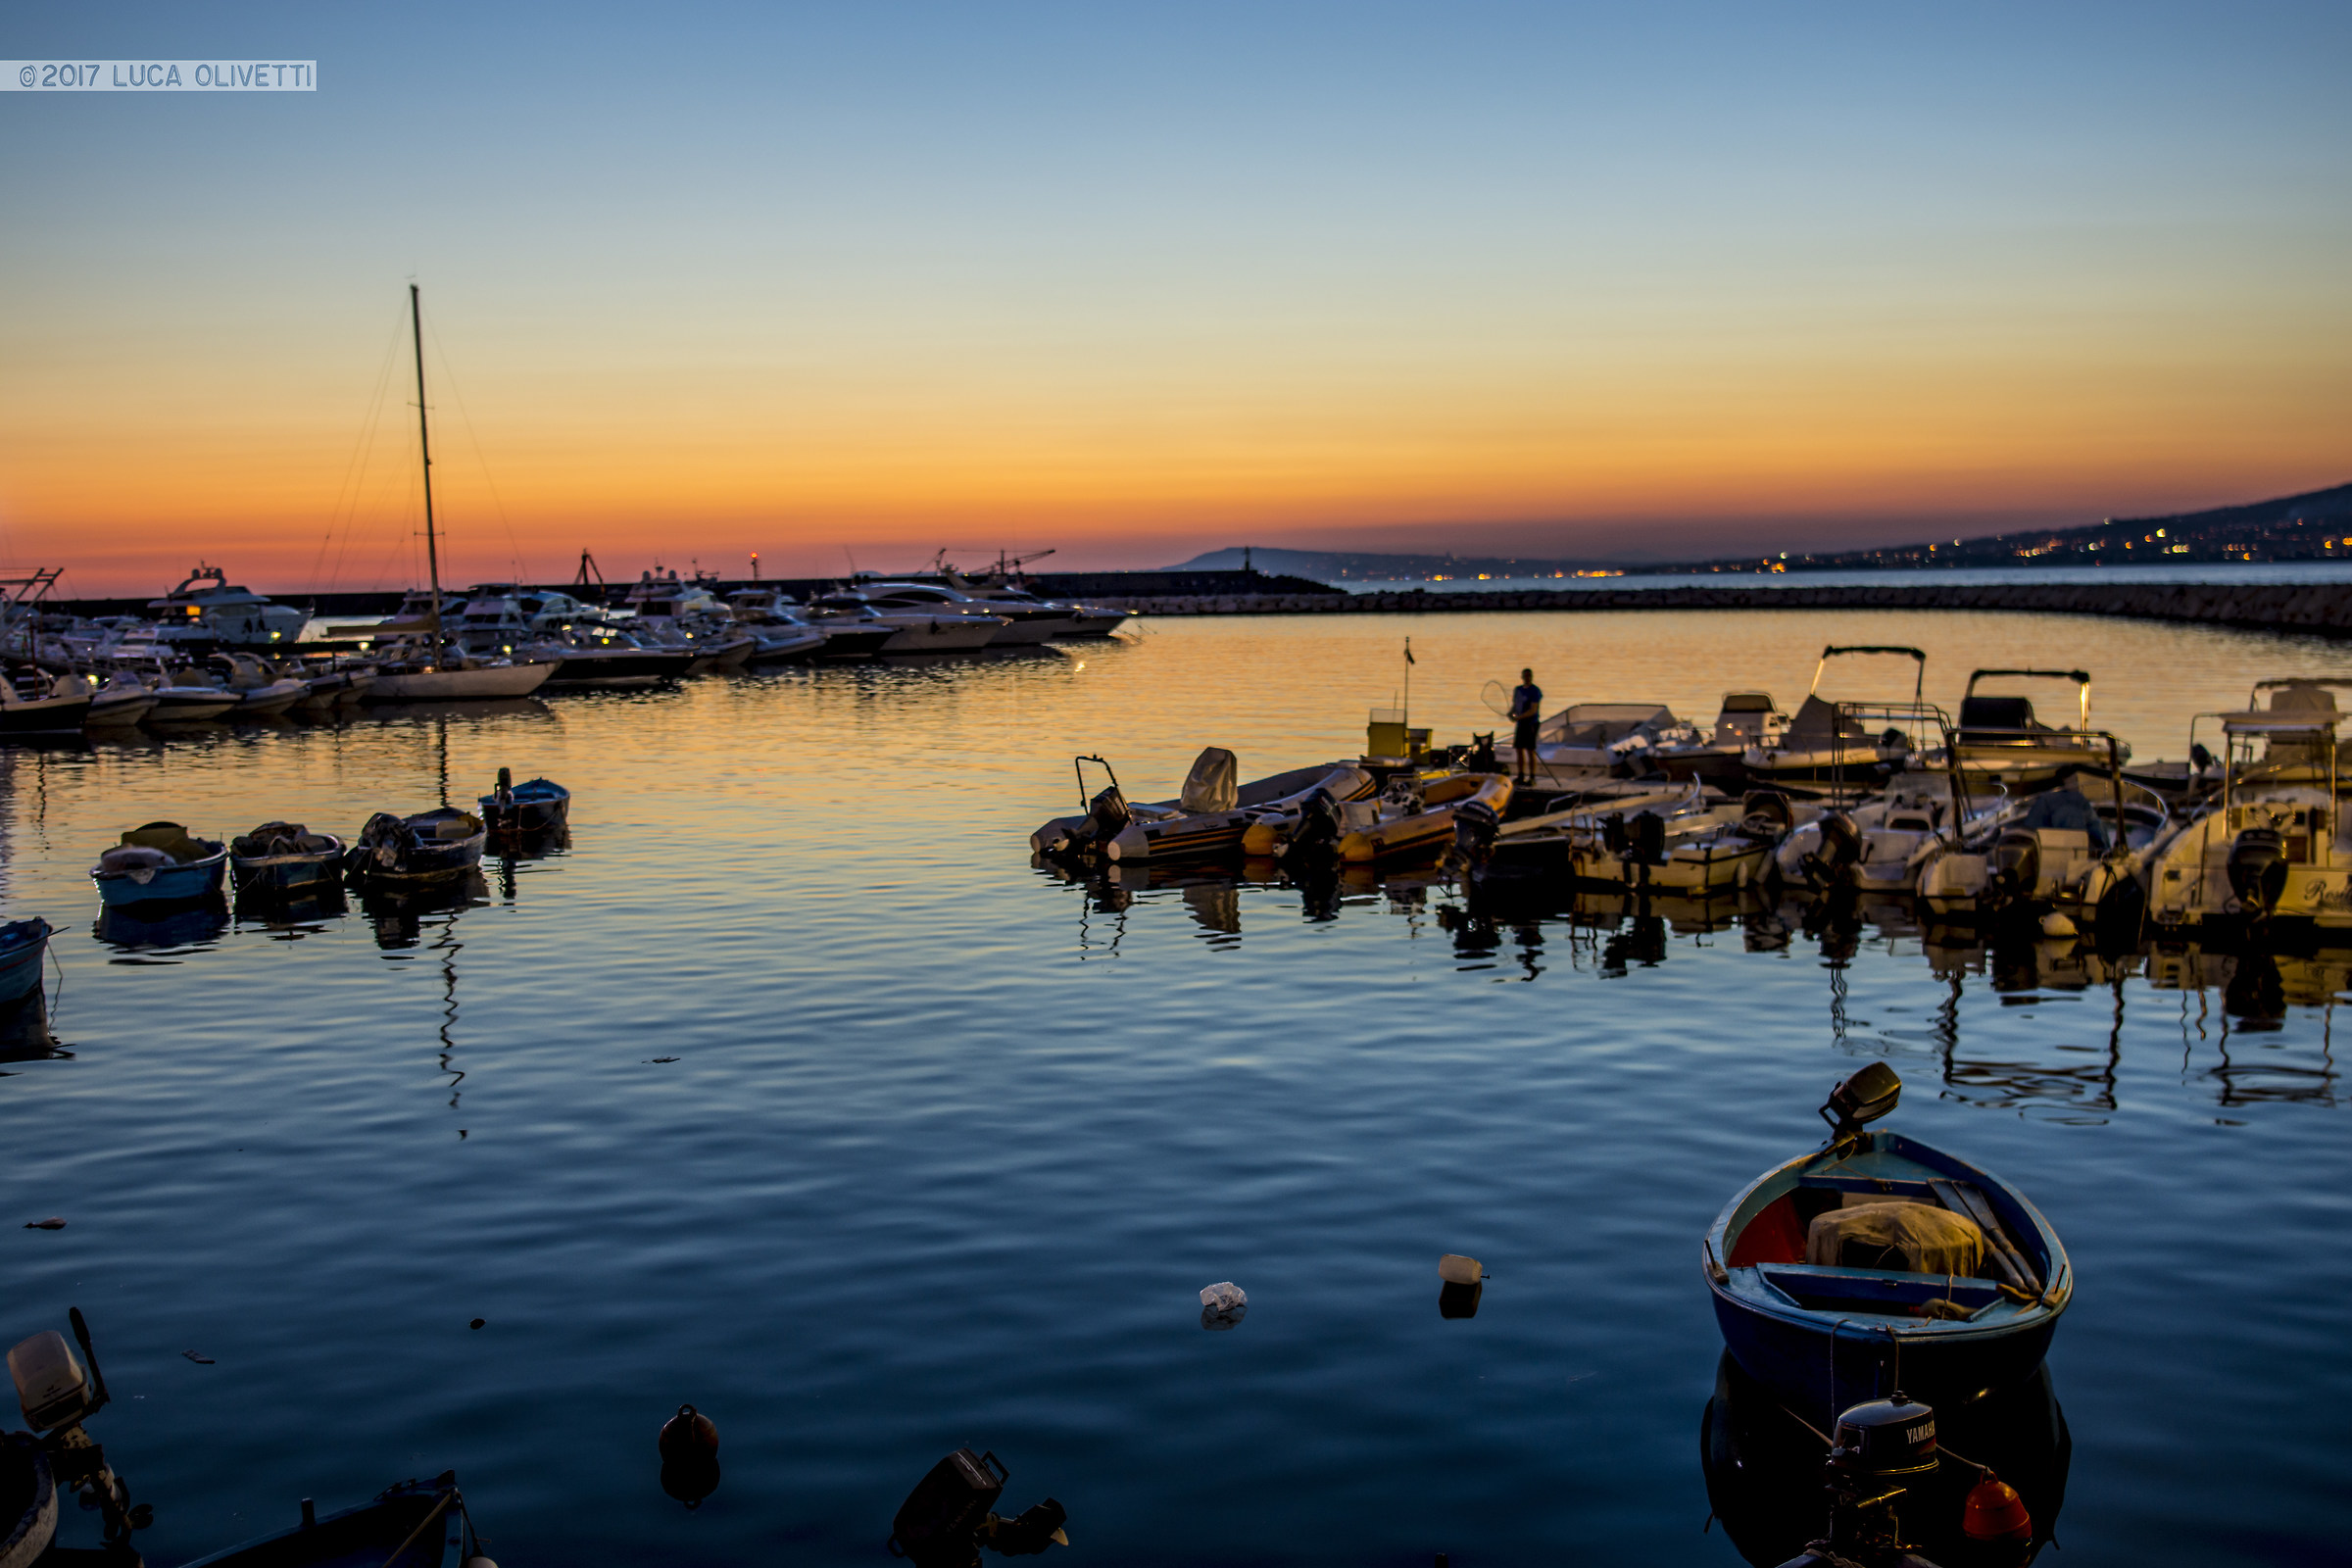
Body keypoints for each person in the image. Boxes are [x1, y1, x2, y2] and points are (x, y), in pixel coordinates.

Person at [1509, 668, 1544, 784]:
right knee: (1519, 750)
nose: (1527, 677)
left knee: (1530, 750)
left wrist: (1519, 717)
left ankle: (1532, 777)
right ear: (1522, 677)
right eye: (1525, 675)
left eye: (1529, 675)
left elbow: (1533, 710)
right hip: (1520, 724)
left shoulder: (1535, 691)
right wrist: (1511, 713)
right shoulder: (1518, 690)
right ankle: (1520, 775)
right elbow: (1516, 705)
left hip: (1531, 724)